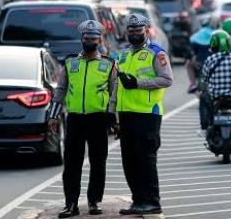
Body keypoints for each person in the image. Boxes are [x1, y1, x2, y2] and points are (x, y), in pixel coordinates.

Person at [48, 20, 118, 218]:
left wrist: (115, 119)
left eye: (93, 39)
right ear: (81, 39)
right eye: (86, 39)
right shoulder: (70, 63)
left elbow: (114, 93)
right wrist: (53, 115)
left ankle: (94, 201)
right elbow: (60, 90)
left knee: (98, 162)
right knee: (71, 163)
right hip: (75, 119)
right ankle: (71, 204)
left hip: (98, 119)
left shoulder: (109, 64)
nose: (90, 42)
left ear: (99, 40)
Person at [116, 13, 173, 216]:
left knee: (145, 160)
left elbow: (167, 79)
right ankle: (138, 201)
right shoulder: (122, 55)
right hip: (125, 114)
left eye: (138, 30)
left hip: (147, 114)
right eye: (130, 31)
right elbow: (117, 85)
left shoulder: (156, 53)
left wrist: (138, 83)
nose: (134, 34)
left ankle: (151, 201)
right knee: (129, 160)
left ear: (146, 30)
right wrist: (112, 114)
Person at [186, 15, 220, 93]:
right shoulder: (219, 34)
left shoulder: (198, 34)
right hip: (216, 62)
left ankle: (193, 84)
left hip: (200, 62)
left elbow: (190, 50)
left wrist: (191, 59)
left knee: (188, 64)